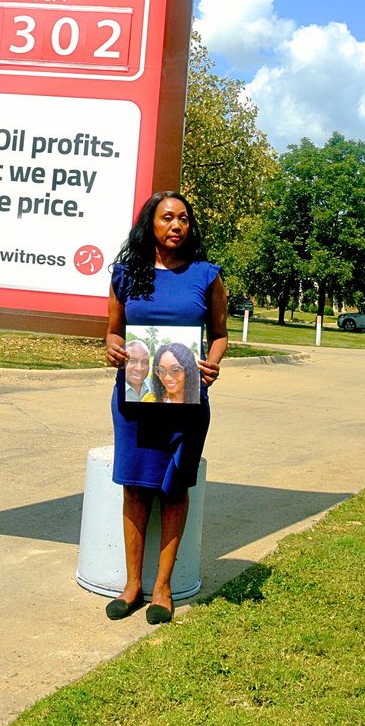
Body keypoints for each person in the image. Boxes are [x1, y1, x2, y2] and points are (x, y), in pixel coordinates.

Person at [104, 190, 228, 625]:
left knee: (175, 488)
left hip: (186, 402)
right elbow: (113, 332)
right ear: (150, 225)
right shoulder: (125, 275)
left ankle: (162, 588)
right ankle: (132, 585)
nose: (177, 226)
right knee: (135, 487)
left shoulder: (206, 275)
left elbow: (219, 333)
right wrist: (113, 350)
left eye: (184, 219)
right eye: (167, 218)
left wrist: (213, 363)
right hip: (135, 403)